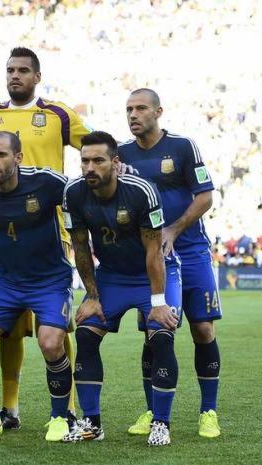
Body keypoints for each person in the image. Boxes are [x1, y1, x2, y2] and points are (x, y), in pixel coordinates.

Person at [0, 47, 89, 429]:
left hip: (52, 230)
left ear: (37, 76)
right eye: (10, 69)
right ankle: (9, 408)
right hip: (5, 234)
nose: (15, 75)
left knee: (54, 328)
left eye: (23, 70)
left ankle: (68, 409)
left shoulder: (59, 114)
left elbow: (93, 146)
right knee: (9, 325)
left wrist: (120, 160)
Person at [62, 131, 181, 446]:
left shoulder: (141, 191)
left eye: (98, 160)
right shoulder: (73, 192)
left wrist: (158, 301)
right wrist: (91, 295)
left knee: (161, 335)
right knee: (86, 333)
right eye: (85, 161)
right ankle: (91, 424)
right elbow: (80, 247)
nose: (90, 167)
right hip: (112, 276)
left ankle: (161, 423)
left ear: (115, 163)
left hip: (153, 274)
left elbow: (154, 251)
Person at [0, 131, 74, 441]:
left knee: (50, 343)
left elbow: (83, 190)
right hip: (7, 281)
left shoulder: (46, 181)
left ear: (18, 158)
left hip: (50, 280)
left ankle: (61, 417)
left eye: (1, 155)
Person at [119, 89, 221, 438]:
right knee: (155, 333)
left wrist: (173, 230)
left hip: (190, 251)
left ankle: (209, 411)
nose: (133, 115)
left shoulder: (182, 146)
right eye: (129, 109)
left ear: (158, 111)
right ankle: (153, 412)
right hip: (152, 257)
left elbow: (205, 196)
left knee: (202, 329)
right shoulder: (121, 154)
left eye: (140, 108)